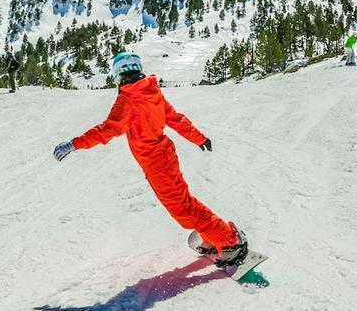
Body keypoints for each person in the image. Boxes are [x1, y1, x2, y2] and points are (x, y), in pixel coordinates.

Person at [52, 52, 248, 267]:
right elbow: (174, 118)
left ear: (118, 73)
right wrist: (198, 138)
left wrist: (74, 143)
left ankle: (230, 241)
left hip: (156, 161)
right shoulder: (149, 90)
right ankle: (213, 237)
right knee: (183, 206)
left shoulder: (128, 98)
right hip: (161, 156)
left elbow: (109, 129)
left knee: (183, 209)